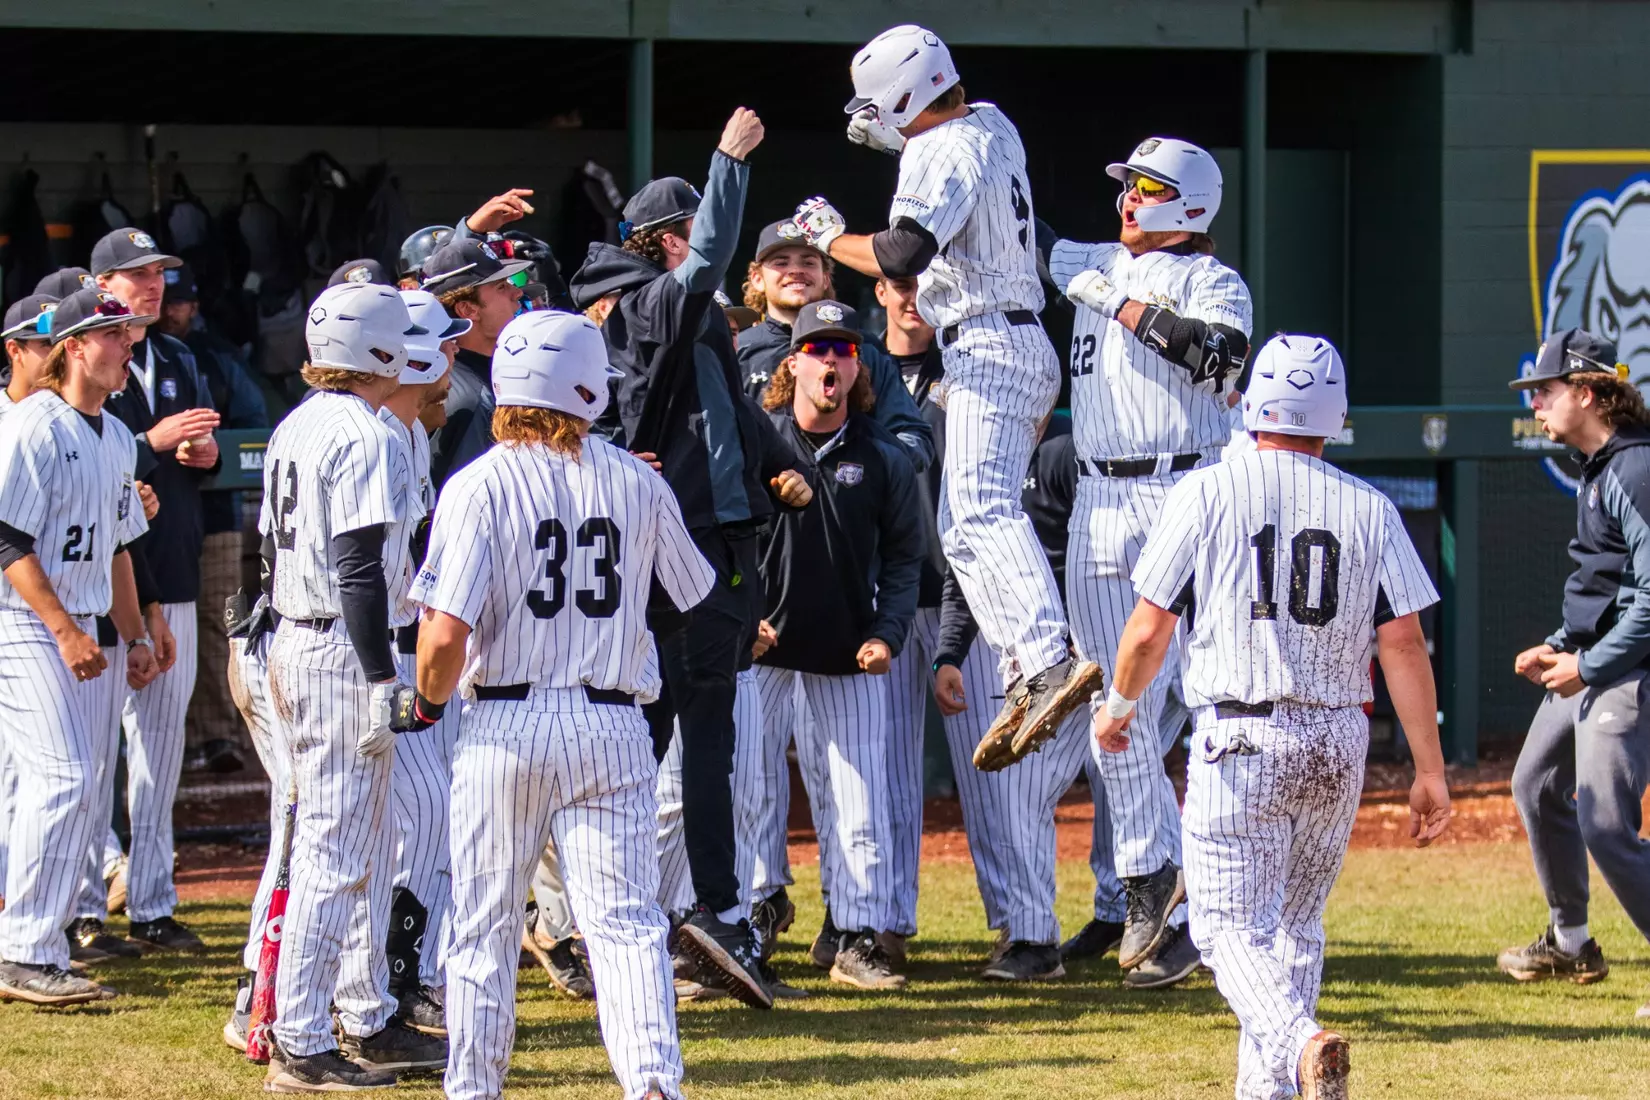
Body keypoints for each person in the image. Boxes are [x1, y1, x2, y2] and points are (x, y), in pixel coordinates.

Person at [1092, 334, 1451, 1100]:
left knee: (1224, 931)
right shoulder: (1372, 506)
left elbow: (1150, 627)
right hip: (1337, 739)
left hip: (1242, 737)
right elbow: (1406, 646)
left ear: (1253, 404)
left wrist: (1120, 704)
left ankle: (1299, 1043)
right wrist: (1428, 769)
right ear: (1336, 415)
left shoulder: (1208, 489)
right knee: (1294, 932)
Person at [401, 309, 717, 1100]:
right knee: (625, 923)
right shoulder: (637, 479)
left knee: (483, 925)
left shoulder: (476, 484)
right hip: (612, 723)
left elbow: (441, 636)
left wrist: (429, 707)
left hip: (505, 723)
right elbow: (690, 597)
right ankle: (652, 1084)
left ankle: (473, 1088)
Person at [791, 24, 1100, 758]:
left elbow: (902, 253)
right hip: (1012, 339)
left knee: (983, 513)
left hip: (989, 342)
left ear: (905, 96)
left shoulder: (939, 147)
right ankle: (1030, 665)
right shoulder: (993, 121)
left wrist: (831, 238)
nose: (872, 116)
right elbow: (952, 159)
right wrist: (902, 138)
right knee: (962, 524)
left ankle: (1047, 653)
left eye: (880, 104)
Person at [568, 107, 813, 1009]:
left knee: (672, 736)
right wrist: (728, 166)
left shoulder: (661, 313)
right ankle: (700, 912)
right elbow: (707, 261)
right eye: (679, 235)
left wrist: (781, 466)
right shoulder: (644, 300)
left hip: (700, 538)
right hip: (679, 548)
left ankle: (665, 914)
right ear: (659, 242)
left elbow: (735, 414)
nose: (690, 249)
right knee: (675, 738)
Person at [1043, 137, 1254, 972]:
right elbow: (1011, 232)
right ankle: (1144, 885)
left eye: (1147, 188)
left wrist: (1124, 305)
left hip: (1186, 488)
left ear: (1190, 202)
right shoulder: (1093, 257)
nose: (1128, 200)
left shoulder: (1213, 280)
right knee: (1114, 708)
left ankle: (1193, 902)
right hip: (1099, 492)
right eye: (1126, 185)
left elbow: (1222, 358)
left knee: (1208, 703)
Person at [259, 282, 445, 1091]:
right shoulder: (365, 433)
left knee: (357, 849)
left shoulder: (297, 422)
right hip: (340, 650)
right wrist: (381, 676)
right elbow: (360, 568)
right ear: (375, 350)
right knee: (335, 856)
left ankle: (364, 1016)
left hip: (299, 638)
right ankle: (300, 1038)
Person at [751, 301, 924, 990]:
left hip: (848, 647)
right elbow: (712, 536)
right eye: (817, 349)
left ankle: (855, 936)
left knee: (860, 795)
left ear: (858, 367)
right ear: (791, 362)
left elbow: (907, 557)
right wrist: (739, 618)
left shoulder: (882, 455)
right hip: (760, 646)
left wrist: (888, 633)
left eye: (843, 351)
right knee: (747, 789)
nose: (831, 361)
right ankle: (749, 921)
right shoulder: (756, 441)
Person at [0, 289, 160, 1005]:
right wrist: (65, 630)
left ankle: (46, 943)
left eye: (126, 333)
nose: (127, 343)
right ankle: (24, 950)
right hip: (26, 624)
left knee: (84, 789)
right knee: (61, 777)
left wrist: (133, 636)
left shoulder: (119, 434)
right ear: (72, 347)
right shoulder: (31, 425)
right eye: (111, 334)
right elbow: (6, 539)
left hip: (88, 626)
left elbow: (120, 547)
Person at [1500, 328, 1650, 1011]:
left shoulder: (1635, 469)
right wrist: (1559, 643)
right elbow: (1607, 584)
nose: (1536, 404)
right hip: (1591, 661)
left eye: (1546, 390)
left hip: (1627, 670)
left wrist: (1588, 665)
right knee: (1534, 783)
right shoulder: (1600, 468)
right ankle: (1571, 942)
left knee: (1608, 827)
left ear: (1587, 393)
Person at [93, 228, 223, 953]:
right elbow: (92, 457)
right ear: (100, 282)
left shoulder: (176, 354)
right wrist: (151, 440)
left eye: (159, 275)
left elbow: (198, 449)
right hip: (98, 576)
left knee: (159, 751)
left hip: (168, 564)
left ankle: (151, 903)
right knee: (84, 754)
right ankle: (84, 901)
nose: (151, 286)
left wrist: (199, 451)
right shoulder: (78, 354)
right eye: (136, 275)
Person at [379, 288, 468, 1037]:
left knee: (424, 817)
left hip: (391, 647)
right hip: (345, 650)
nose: (454, 364)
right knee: (354, 828)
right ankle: (387, 983)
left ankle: (402, 977)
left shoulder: (407, 434)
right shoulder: (371, 434)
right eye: (445, 349)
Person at [157, 261, 268, 775]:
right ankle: (169, 740)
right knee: (153, 623)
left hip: (216, 512)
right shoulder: (129, 356)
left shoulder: (212, 356)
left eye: (179, 301)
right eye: (166, 300)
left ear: (193, 307)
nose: (170, 309)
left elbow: (253, 427)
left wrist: (214, 452)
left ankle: (219, 734)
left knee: (218, 622)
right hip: (153, 517)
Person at [736, 219, 932, 470]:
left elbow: (915, 441)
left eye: (808, 262)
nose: (795, 270)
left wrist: (859, 465)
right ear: (757, 278)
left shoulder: (865, 350)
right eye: (781, 262)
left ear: (825, 278)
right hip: (766, 505)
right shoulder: (737, 350)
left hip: (850, 499)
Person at [421, 238, 534, 490]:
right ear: (468, 309)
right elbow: (473, 499)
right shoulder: (468, 399)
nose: (517, 293)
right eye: (501, 287)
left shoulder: (494, 372)